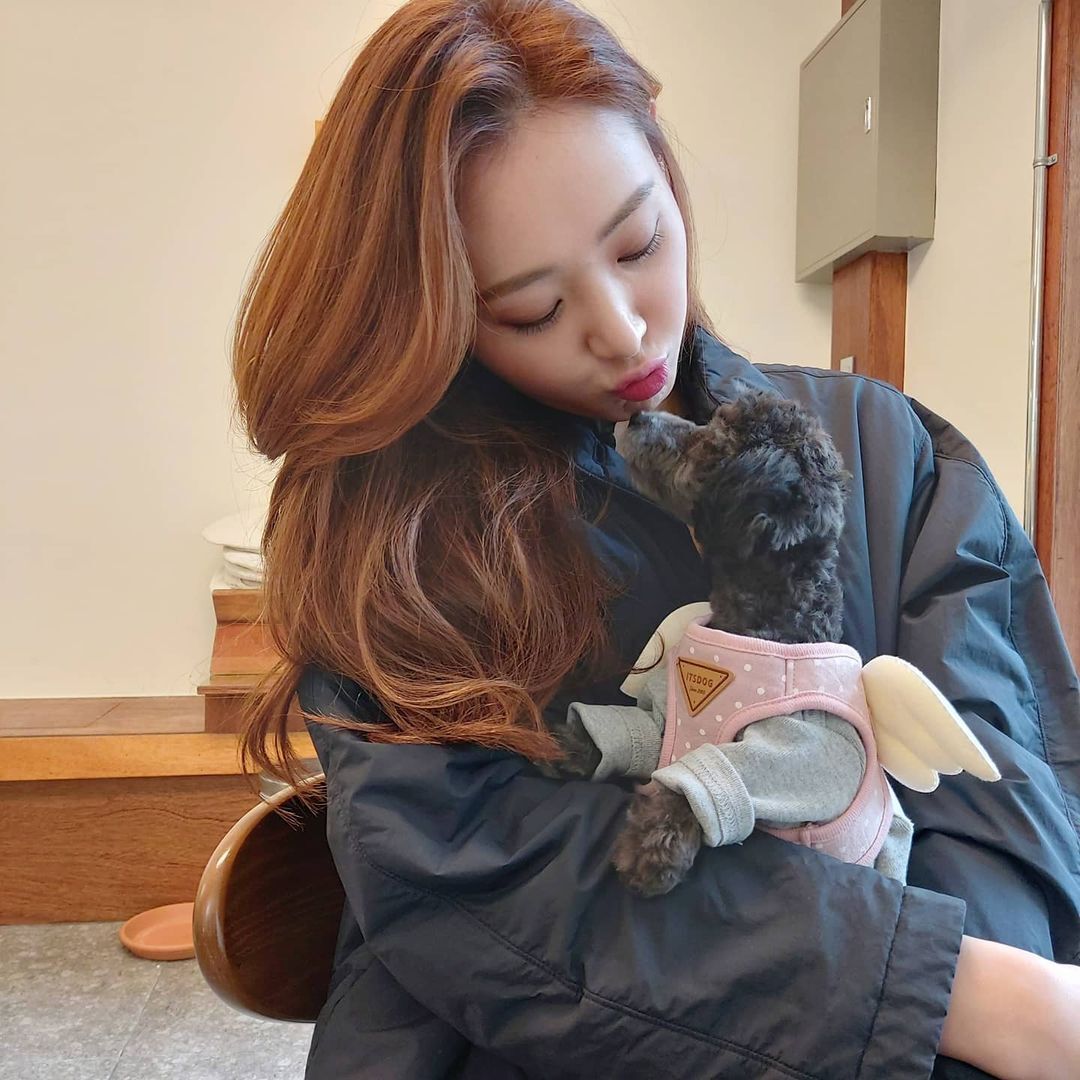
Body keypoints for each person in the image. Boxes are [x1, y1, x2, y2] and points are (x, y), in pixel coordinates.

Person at [230, 1, 1080, 1076]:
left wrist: (992, 1016)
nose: (625, 331)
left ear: (668, 177)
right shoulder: (400, 540)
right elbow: (477, 874)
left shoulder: (886, 448)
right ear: (443, 318)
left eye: (639, 245)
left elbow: (1004, 782)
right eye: (532, 312)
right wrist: (946, 992)